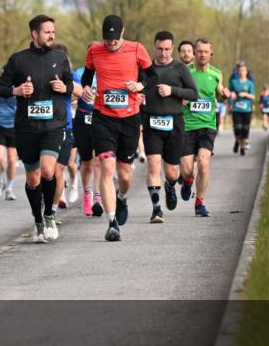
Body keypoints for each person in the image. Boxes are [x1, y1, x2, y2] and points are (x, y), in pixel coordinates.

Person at [79, 14, 157, 242]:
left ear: (122, 32)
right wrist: (85, 88)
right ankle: (112, 222)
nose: (110, 43)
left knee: (125, 173)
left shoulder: (136, 49)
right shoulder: (94, 50)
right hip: (103, 117)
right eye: (107, 39)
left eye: (114, 39)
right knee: (106, 167)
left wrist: (140, 85)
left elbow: (153, 76)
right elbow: (87, 74)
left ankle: (122, 196)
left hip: (130, 119)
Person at [0, 15, 73, 242]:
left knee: (48, 171)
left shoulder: (60, 58)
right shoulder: (18, 60)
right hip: (26, 127)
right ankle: (38, 220)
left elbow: (71, 86)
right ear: (35, 34)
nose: (51, 35)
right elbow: (0, 89)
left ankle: (49, 214)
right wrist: (17, 91)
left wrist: (63, 87)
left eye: (53, 31)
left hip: (53, 125)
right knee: (32, 178)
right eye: (47, 31)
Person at [140, 31, 198, 224]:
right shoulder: (145, 68)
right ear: (154, 47)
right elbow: (137, 87)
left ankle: (170, 185)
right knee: (153, 165)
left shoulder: (180, 68)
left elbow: (193, 94)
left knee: (173, 172)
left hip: (175, 123)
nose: (162, 53)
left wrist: (172, 90)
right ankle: (156, 210)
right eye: (159, 49)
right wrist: (138, 96)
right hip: (152, 122)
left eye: (166, 49)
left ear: (172, 49)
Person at [180, 39, 228, 218]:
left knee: (203, 162)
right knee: (185, 169)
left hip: (208, 125)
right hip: (187, 125)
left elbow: (219, 96)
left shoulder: (216, 73)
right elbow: (178, 93)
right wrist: (182, 98)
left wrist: (224, 95)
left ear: (211, 53)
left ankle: (199, 203)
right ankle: (188, 180)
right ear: (194, 53)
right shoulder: (186, 72)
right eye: (199, 51)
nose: (202, 54)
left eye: (205, 52)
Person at [50, 45, 82, 214]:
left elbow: (80, 91)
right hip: (44, 127)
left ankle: (54, 208)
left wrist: (66, 90)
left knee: (62, 167)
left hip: (67, 125)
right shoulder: (42, 70)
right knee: (45, 170)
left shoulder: (71, 74)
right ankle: (50, 202)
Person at [72, 64, 103, 217]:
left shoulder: (106, 69)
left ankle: (98, 197)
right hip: (82, 118)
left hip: (101, 118)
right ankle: (87, 193)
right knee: (87, 162)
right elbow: (73, 94)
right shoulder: (79, 73)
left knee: (98, 160)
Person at [229, 62, 255, 156]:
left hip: (246, 110)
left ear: (246, 72)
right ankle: (237, 141)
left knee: (245, 130)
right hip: (236, 109)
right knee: (237, 129)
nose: (242, 72)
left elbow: (253, 97)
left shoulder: (250, 83)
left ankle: (242, 147)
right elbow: (229, 93)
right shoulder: (233, 82)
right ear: (238, 72)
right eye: (240, 70)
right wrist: (231, 95)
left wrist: (245, 94)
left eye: (243, 70)